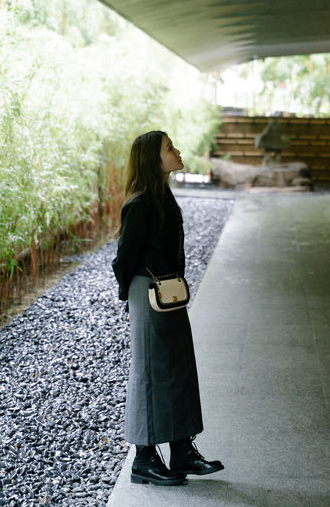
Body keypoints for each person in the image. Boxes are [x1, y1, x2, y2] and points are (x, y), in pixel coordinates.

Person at [112, 130, 224, 487]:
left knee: (178, 367)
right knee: (149, 373)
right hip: (148, 292)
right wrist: (130, 300)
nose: (176, 151)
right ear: (152, 158)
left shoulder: (163, 197)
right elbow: (122, 260)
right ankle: (144, 459)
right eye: (168, 148)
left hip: (170, 292)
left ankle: (181, 450)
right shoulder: (141, 202)